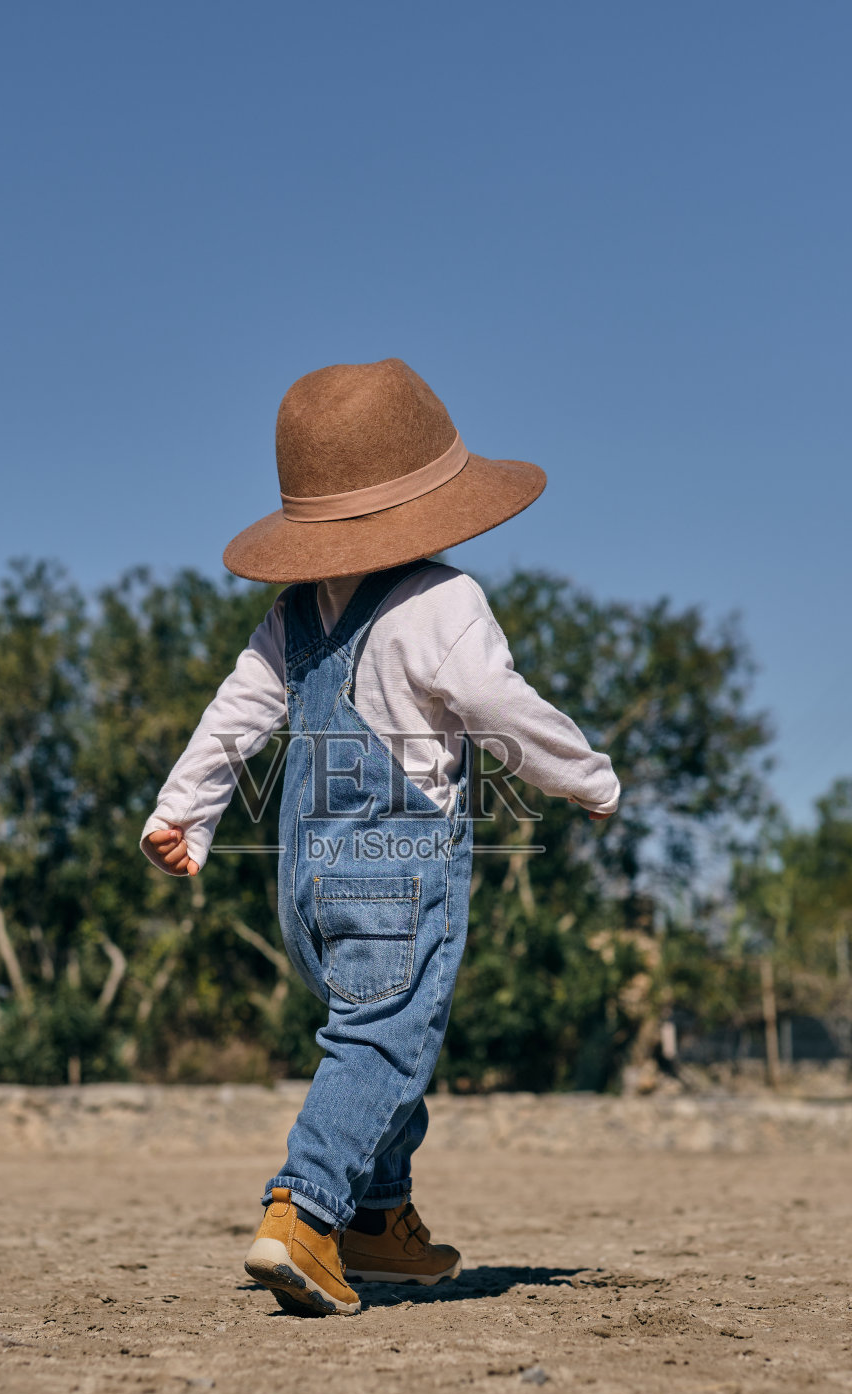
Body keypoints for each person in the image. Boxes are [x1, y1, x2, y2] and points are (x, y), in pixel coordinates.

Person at [142, 358, 620, 1316]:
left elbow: (236, 713)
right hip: (396, 876)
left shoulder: (291, 615)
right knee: (386, 1048)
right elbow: (496, 706)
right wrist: (586, 776)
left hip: (305, 886)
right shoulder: (444, 602)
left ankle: (377, 1220)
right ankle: (303, 1211)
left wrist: (181, 811)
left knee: (373, 1034)